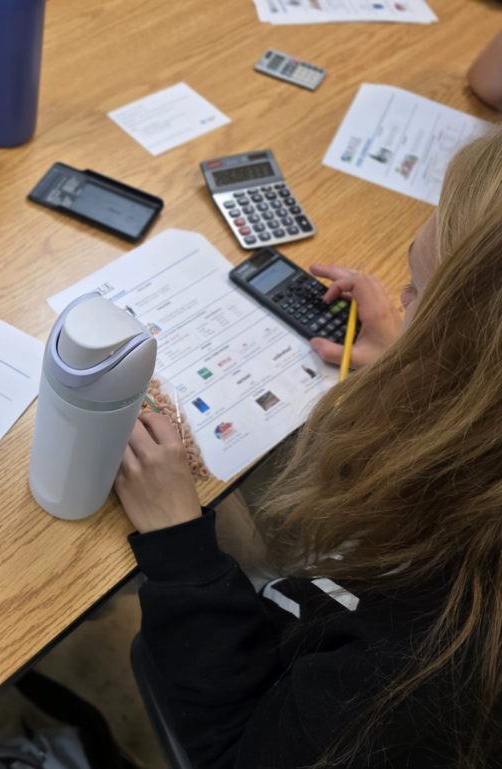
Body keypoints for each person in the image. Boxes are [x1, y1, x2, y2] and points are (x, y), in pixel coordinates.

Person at [115, 125, 502, 767]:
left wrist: (177, 544)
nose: (400, 304)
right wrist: (420, 367)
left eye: (419, 298)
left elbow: (236, 750)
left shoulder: (423, 676)